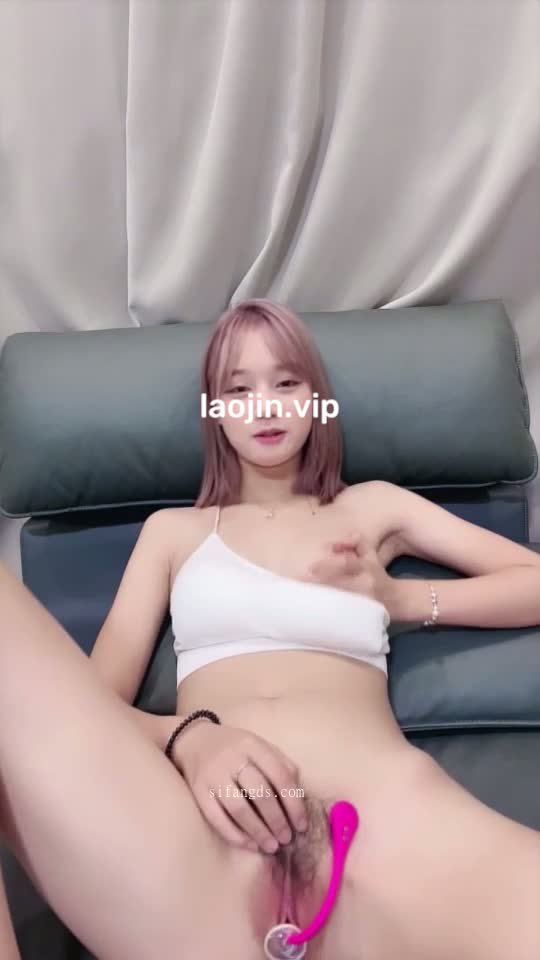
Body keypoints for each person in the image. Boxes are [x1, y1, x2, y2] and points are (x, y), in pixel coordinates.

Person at [0, 297, 539, 960]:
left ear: (318, 403)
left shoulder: (373, 510)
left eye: (287, 383)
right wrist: (190, 739)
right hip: (200, 844)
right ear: (214, 410)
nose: (264, 406)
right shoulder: (173, 534)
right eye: (238, 389)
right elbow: (94, 707)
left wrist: (401, 598)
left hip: (389, 825)